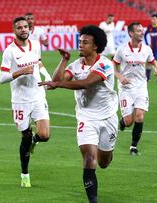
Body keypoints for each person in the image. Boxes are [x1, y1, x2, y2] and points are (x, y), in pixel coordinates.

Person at [39, 25, 118, 203]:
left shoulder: (105, 64)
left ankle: (106, 152)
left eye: (85, 42)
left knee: (103, 162)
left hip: (108, 118)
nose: (80, 45)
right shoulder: (76, 65)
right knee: (90, 158)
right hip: (86, 118)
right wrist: (64, 60)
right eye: (80, 41)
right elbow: (57, 81)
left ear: (96, 46)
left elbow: (86, 83)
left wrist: (57, 84)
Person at [0, 16, 52, 187]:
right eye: (19, 27)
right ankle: (25, 174)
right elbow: (1, 78)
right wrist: (20, 72)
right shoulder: (9, 51)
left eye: (26, 27)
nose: (23, 30)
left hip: (37, 95)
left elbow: (39, 63)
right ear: (14, 30)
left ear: (29, 29)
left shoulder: (35, 45)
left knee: (44, 135)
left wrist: (47, 76)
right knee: (25, 137)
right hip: (20, 100)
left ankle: (35, 141)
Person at [113, 22, 157, 155]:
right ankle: (123, 122)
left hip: (141, 87)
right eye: (138, 31)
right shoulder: (122, 50)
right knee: (129, 121)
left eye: (142, 30)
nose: (142, 32)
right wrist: (119, 76)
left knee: (139, 117)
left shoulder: (146, 49)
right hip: (126, 88)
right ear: (131, 33)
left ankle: (133, 147)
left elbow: (153, 61)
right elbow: (113, 65)